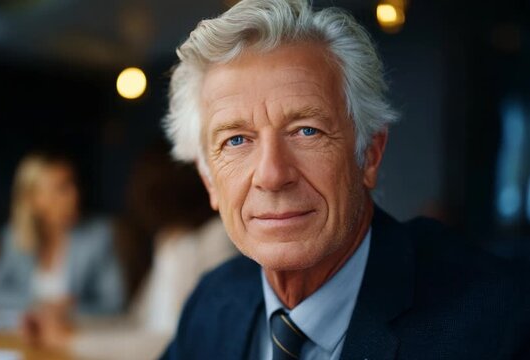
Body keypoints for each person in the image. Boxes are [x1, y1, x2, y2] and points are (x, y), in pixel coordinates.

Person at [160, 1, 530, 359]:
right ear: (209, 180)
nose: (272, 176)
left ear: (369, 154)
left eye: (307, 131)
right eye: (236, 140)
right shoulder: (212, 303)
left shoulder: (497, 322)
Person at [20, 143, 237, 359]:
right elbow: (135, 322)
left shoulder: (214, 239)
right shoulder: (169, 241)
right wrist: (65, 326)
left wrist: (72, 341)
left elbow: (183, 342)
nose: (133, 196)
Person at [0, 152, 125, 321]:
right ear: (34, 199)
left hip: (75, 337)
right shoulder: (14, 236)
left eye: (74, 184)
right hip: (28, 336)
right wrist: (39, 305)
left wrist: (68, 310)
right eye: (62, 188)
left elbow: (115, 304)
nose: (74, 195)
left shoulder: (98, 235)